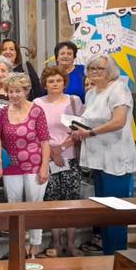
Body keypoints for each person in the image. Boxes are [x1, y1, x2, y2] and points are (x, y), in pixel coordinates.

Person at [69, 53, 136, 256]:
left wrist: (90, 133)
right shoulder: (92, 93)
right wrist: (76, 128)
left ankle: (118, 256)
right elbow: (89, 120)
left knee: (116, 211)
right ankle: (108, 254)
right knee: (104, 209)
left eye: (100, 68)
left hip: (116, 156)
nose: (95, 72)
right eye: (91, 68)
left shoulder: (119, 89)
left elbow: (118, 121)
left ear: (110, 71)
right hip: (97, 157)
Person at [0, 73, 51, 258]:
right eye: (10, 91)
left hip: (34, 165)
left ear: (26, 91)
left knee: (34, 206)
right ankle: (18, 244)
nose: (14, 95)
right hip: (11, 166)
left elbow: (45, 141)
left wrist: (44, 167)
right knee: (14, 206)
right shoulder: (3, 113)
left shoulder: (37, 111)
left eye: (18, 91)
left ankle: (35, 245)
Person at [34, 63, 84, 257]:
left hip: (70, 157)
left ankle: (71, 243)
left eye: (58, 80)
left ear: (64, 83)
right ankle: (56, 242)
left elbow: (79, 129)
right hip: (47, 158)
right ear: (44, 84)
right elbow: (35, 131)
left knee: (71, 201)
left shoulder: (74, 101)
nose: (55, 84)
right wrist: (52, 154)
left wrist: (61, 149)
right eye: (50, 81)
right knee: (52, 201)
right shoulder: (38, 103)